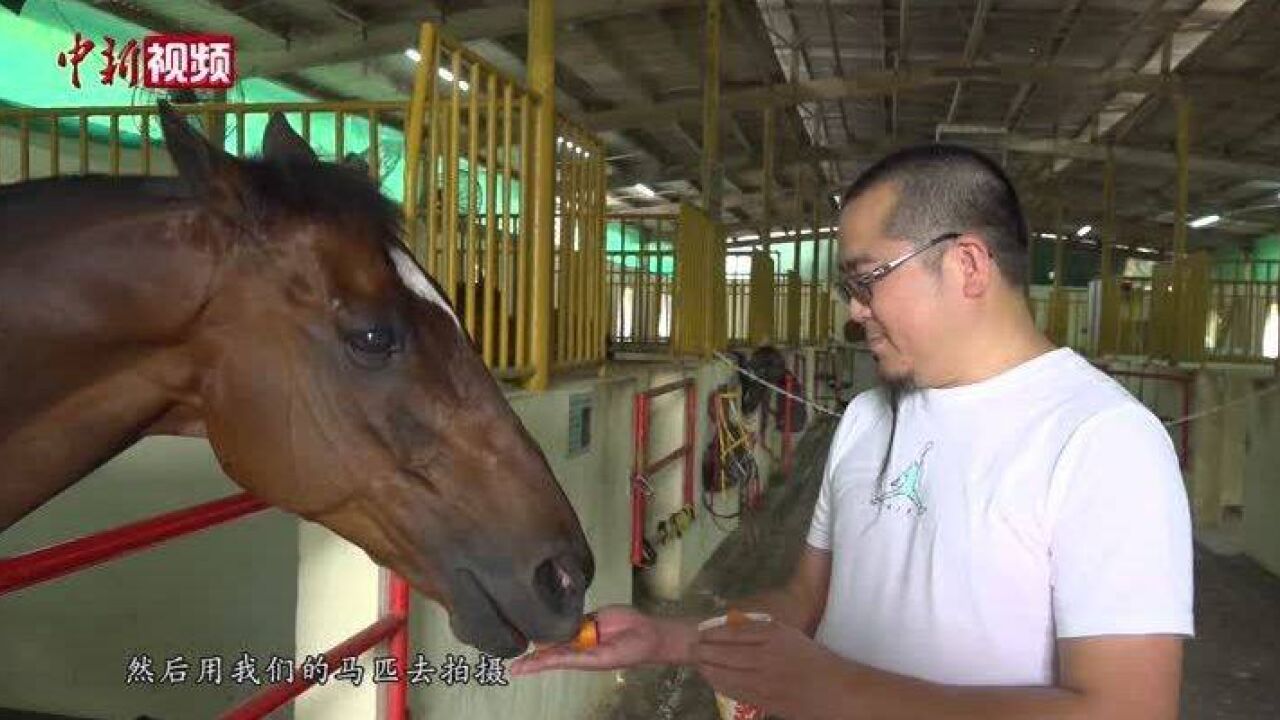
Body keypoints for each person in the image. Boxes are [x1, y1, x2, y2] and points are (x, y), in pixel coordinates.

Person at [511, 144, 1194, 719]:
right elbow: (808, 601)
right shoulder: (869, 417)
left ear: (967, 265)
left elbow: (1125, 708)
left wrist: (834, 690)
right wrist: (671, 639)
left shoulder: (1102, 439)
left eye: (868, 280)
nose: (854, 310)